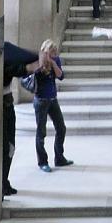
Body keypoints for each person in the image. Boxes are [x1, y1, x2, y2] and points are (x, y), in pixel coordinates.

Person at [2, 41, 40, 197]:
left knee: (10, 146)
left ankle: (4, 181)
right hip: (2, 105)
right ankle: (1, 184)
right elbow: (9, 69)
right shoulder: (2, 55)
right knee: (5, 147)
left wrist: (28, 67)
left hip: (8, 105)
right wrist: (27, 68)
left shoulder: (5, 50)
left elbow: (19, 62)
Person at [31, 39, 72, 172]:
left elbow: (61, 76)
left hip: (53, 99)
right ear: (45, 51)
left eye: (55, 51)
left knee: (61, 128)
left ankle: (59, 157)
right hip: (41, 100)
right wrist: (43, 63)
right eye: (51, 51)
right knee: (41, 132)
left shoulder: (56, 60)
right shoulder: (37, 61)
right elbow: (32, 75)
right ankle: (42, 161)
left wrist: (53, 62)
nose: (54, 53)